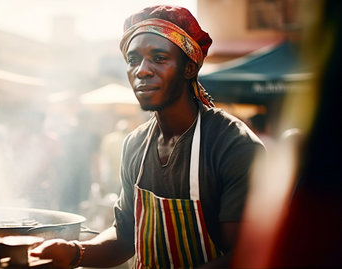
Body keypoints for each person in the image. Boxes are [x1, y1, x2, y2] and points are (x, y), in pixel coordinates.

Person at [30, 5, 265, 268]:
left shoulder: (232, 145)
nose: (141, 70)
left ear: (189, 68)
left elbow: (246, 255)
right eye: (133, 60)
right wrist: (74, 252)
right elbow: (125, 237)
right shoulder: (135, 145)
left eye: (159, 58)